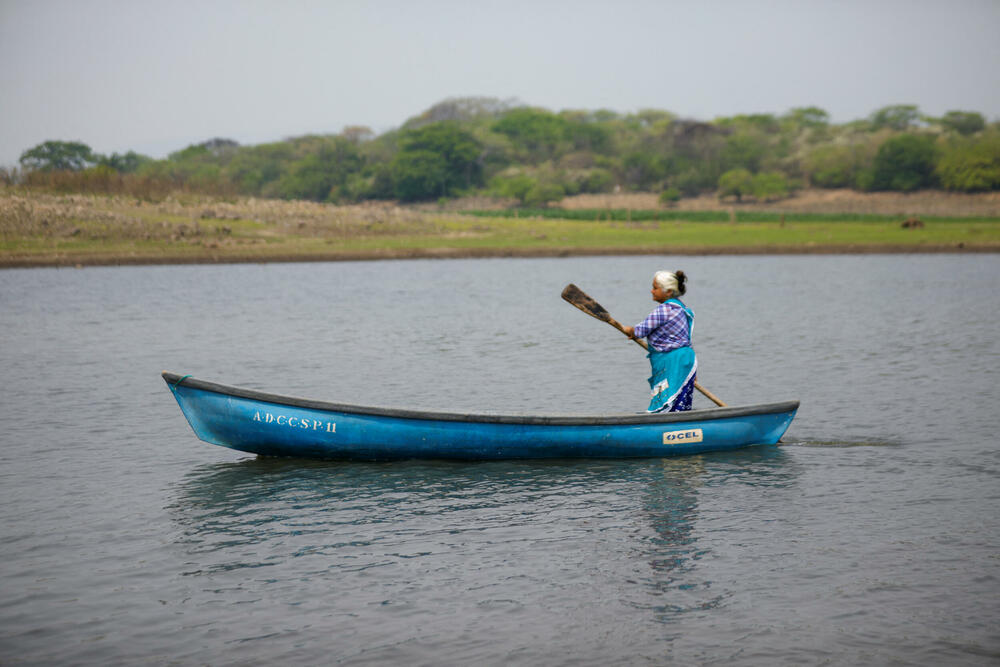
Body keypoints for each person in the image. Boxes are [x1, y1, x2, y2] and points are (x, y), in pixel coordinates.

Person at [623, 270, 697, 412]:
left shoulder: (664, 310)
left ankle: (666, 429)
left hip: (673, 363)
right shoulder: (682, 309)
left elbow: (641, 330)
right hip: (688, 360)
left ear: (668, 292)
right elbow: (686, 340)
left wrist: (629, 330)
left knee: (667, 402)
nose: (651, 291)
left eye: (655, 288)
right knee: (681, 403)